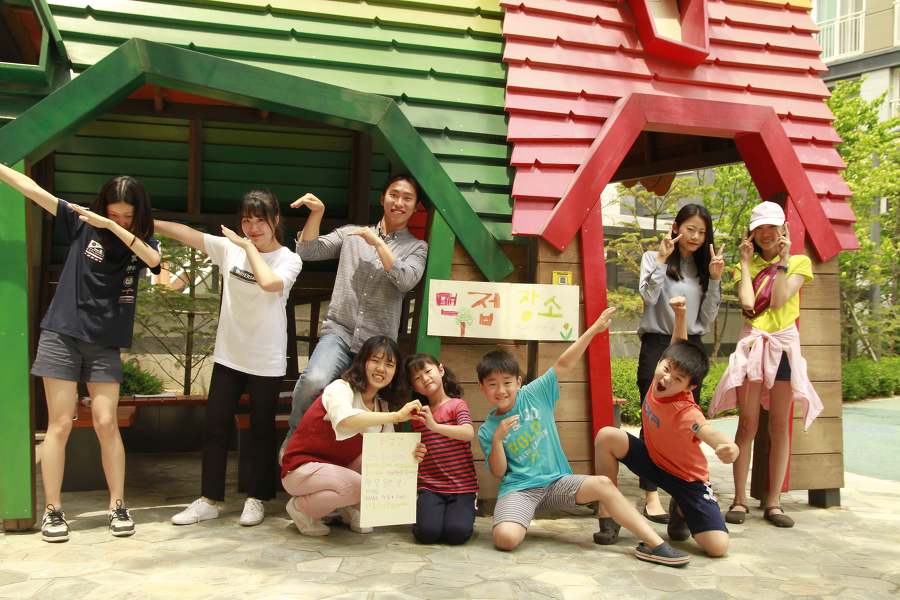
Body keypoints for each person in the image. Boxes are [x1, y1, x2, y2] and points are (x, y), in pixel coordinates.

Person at [0, 164, 161, 542]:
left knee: (106, 422)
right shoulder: (82, 222)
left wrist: (113, 228)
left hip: (105, 342)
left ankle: (118, 505)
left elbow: (154, 262)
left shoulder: (144, 242)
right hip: (62, 334)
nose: (119, 220)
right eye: (113, 214)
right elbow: (33, 190)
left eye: (127, 216)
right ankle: (53, 511)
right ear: (103, 206)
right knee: (60, 423)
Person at [477, 308, 691, 567]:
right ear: (482, 388)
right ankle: (517, 516)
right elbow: (499, 472)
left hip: (556, 484)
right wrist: (498, 439)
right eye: (492, 384)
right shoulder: (487, 429)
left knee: (603, 484)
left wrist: (595, 329)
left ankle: (655, 544)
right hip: (520, 490)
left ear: (519, 382)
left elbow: (564, 363)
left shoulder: (534, 394)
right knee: (505, 539)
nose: (501, 390)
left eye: (507, 382)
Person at [158, 190, 302, 528]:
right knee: (215, 426)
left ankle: (257, 498)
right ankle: (209, 500)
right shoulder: (229, 249)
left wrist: (248, 248)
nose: (252, 228)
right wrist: (147, 222)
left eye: (260, 221)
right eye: (246, 221)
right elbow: (188, 234)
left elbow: (269, 283)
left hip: (266, 360)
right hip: (229, 356)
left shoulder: (288, 259)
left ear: (275, 220)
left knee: (261, 431)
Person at [284, 175, 428, 444]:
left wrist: (379, 244)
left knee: (367, 410)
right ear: (382, 198)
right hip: (340, 331)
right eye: (394, 195)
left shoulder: (417, 247)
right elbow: (308, 250)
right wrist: (317, 213)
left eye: (407, 198)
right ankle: (294, 438)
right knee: (314, 381)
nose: (399, 202)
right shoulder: (352, 234)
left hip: (377, 346)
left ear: (415, 206)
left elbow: (406, 280)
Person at [593, 296, 737, 558]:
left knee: (718, 547)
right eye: (666, 368)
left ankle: (681, 509)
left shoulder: (687, 411)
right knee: (607, 436)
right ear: (661, 362)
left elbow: (708, 431)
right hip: (653, 460)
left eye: (678, 378)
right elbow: (676, 347)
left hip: (686, 480)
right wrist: (680, 315)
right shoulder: (660, 376)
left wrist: (728, 446)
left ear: (690, 387)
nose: (667, 378)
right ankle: (608, 512)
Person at [709, 200, 822, 528]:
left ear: (783, 228)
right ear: (752, 233)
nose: (767, 233)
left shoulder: (799, 262)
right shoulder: (745, 265)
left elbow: (779, 299)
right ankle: (739, 499)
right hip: (753, 346)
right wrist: (745, 263)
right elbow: (748, 303)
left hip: (782, 348)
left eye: (772, 226)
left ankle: (773, 502)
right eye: (760, 228)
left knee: (779, 427)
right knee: (747, 424)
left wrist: (783, 262)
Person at [280, 336, 427, 536]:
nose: (381, 369)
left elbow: (388, 453)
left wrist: (412, 454)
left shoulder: (381, 406)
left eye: (389, 364)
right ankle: (301, 509)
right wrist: (397, 416)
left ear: (395, 372)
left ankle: (348, 508)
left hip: (336, 471)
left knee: (377, 458)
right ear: (362, 361)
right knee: (359, 488)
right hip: (301, 469)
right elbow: (345, 420)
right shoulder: (340, 388)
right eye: (375, 360)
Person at [636, 203, 723, 522]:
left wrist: (715, 280)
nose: (696, 237)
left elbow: (708, 318)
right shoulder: (653, 257)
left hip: (690, 347)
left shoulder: (705, 268)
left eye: (702, 232)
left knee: (685, 421)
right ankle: (650, 495)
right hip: (657, 343)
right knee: (652, 416)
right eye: (690, 229)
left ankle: (681, 495)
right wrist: (661, 260)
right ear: (676, 227)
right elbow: (648, 297)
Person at [405, 353, 478, 545]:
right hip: (430, 487)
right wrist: (416, 452)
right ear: (414, 387)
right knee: (426, 534)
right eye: (417, 378)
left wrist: (435, 426)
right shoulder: (418, 415)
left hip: (462, 487)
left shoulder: (457, 405)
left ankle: (464, 512)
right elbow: (417, 451)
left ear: (441, 370)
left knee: (456, 534)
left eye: (428, 371)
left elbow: (468, 432)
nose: (425, 378)